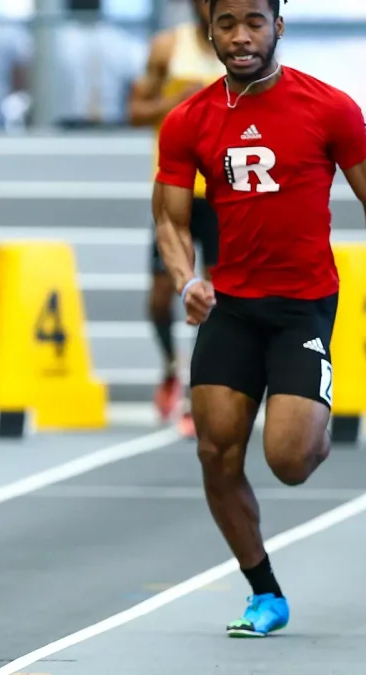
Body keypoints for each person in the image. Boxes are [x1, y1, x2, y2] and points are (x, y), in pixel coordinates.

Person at [155, 0, 366, 638]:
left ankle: (314, 419)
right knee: (216, 453)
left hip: (302, 305)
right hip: (231, 307)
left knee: (291, 461)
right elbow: (170, 219)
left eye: (253, 22)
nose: (240, 37)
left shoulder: (330, 107)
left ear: (278, 26)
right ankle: (264, 591)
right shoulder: (188, 119)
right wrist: (185, 279)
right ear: (209, 31)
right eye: (227, 25)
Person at [128, 0, 225, 437]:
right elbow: (134, 112)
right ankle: (170, 365)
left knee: (217, 301)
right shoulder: (168, 49)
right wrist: (174, 100)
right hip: (176, 193)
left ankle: (198, 394)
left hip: (227, 194)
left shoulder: (244, 49)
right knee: (159, 297)